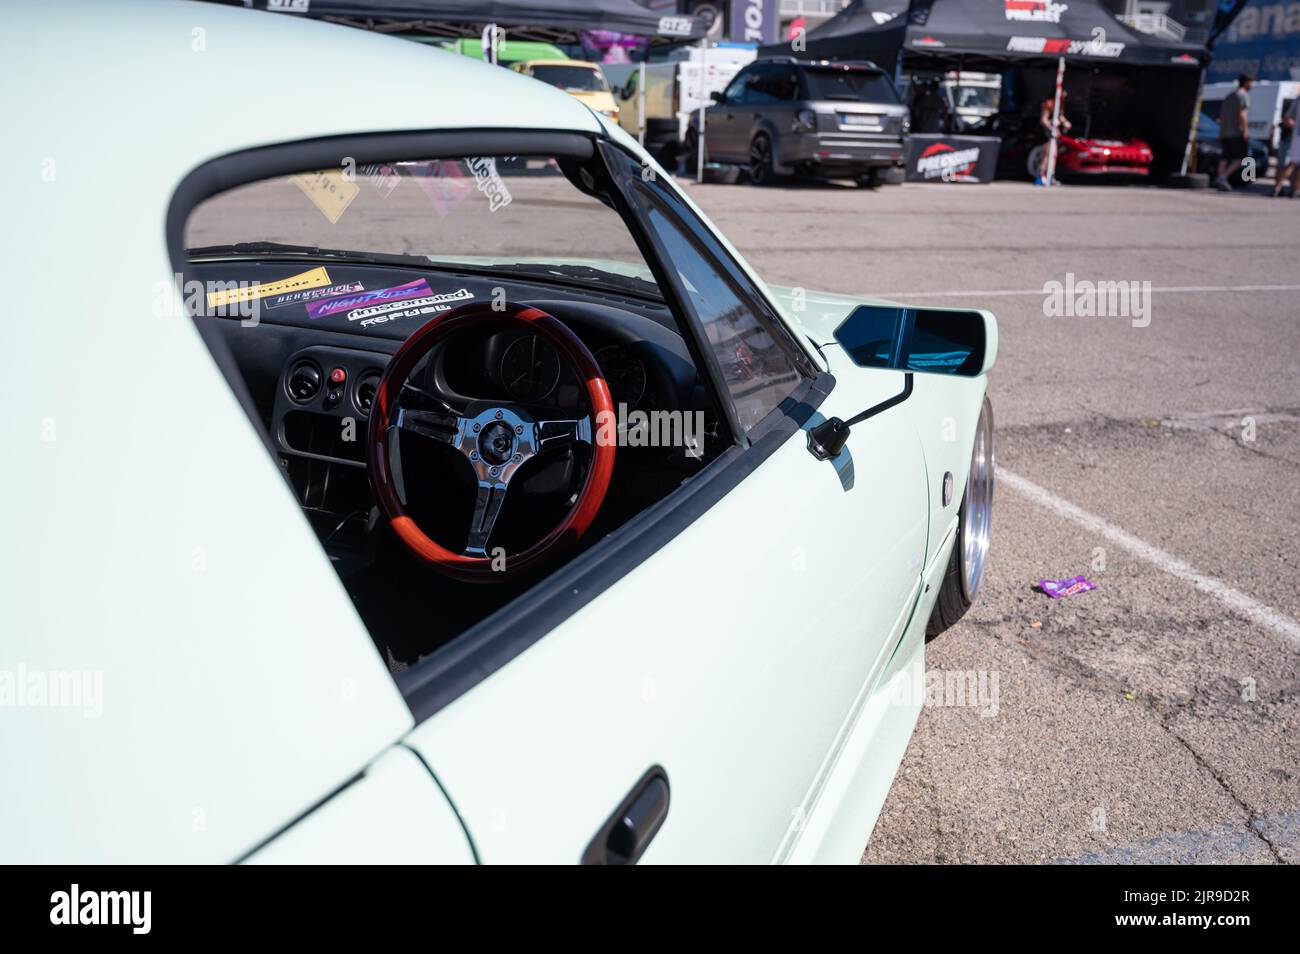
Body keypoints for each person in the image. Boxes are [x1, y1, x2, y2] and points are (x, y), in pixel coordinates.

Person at [1215, 73, 1253, 192]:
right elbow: (1242, 114)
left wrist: (1220, 133)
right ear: (1246, 82)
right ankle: (1223, 177)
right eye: (1251, 82)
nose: (1252, 85)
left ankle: (1220, 177)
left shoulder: (1229, 96)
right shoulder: (1243, 96)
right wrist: (1245, 130)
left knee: (1224, 158)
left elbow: (1222, 116)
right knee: (1239, 158)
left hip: (1225, 132)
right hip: (1236, 132)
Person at [1037, 90, 1071, 185]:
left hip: (1054, 133)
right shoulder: (1049, 103)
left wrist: (1065, 122)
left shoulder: (1059, 104)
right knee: (1047, 154)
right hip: (1047, 133)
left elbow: (1060, 116)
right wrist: (1051, 127)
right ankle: (1040, 176)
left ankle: (1050, 176)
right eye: (1064, 93)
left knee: (1054, 155)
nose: (1065, 95)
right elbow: (1043, 120)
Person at [1272, 95, 1299, 198]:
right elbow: (1288, 119)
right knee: (1292, 164)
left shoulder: (1297, 99)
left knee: (1292, 165)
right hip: (1296, 137)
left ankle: (1294, 189)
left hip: (1295, 136)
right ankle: (1279, 188)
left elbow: (1287, 118)